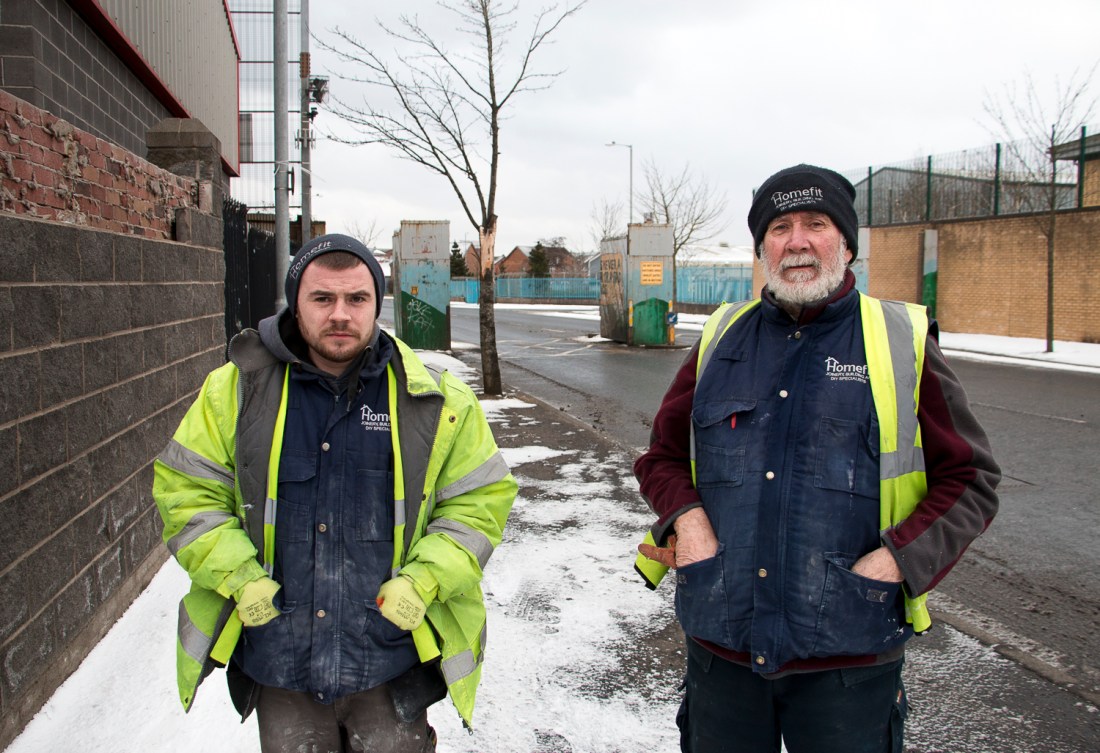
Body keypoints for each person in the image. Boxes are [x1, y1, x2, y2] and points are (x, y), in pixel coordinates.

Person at [633, 165, 1000, 753]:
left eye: (816, 223)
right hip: (722, 652)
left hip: (847, 662)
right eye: (779, 227)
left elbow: (971, 479)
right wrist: (688, 519)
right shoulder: (721, 337)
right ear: (762, 248)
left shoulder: (900, 339)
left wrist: (896, 561)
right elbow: (662, 458)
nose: (797, 240)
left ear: (846, 242)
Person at [153, 234, 516, 753]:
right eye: (323, 299)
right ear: (295, 302)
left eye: (357, 299)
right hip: (281, 660)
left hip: (389, 659)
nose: (340, 314)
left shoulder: (435, 400)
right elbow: (187, 492)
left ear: (377, 303)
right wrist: (238, 576)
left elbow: (479, 503)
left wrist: (425, 579)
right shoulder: (235, 391)